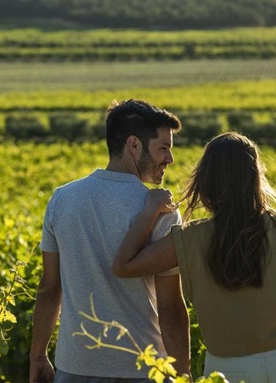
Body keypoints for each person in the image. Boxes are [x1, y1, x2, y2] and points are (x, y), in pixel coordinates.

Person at [112, 132, 276, 383]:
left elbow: (124, 265)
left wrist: (150, 211)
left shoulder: (190, 239)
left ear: (206, 180)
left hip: (227, 370)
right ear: (256, 177)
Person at [30, 99, 191, 383]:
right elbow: (170, 307)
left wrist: (38, 356)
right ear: (134, 145)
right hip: (145, 369)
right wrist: (182, 374)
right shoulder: (161, 209)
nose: (170, 159)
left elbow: (49, 288)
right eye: (163, 148)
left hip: (74, 367)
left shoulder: (62, 199)